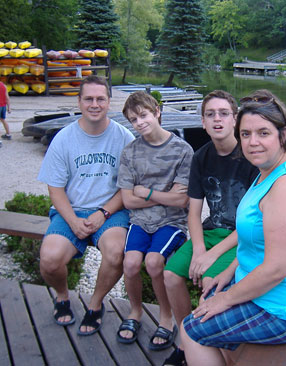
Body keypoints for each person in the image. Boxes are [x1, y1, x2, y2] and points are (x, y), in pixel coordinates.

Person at [179, 89, 286, 366]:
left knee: (191, 330)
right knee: (207, 298)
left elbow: (276, 269)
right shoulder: (267, 171)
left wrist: (226, 299)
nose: (253, 142)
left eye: (263, 133)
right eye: (246, 134)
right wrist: (229, 273)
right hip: (272, 288)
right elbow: (256, 241)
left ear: (283, 135)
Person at [162, 90, 259, 365]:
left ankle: (209, 345)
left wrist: (212, 255)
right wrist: (199, 250)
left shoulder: (250, 157)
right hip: (210, 232)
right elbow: (193, 211)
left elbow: (254, 223)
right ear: (202, 122)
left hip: (238, 237)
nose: (217, 120)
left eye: (224, 113)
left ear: (235, 120)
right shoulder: (201, 157)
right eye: (210, 114)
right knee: (170, 275)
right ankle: (185, 339)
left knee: (208, 283)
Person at [38, 75, 135, 336]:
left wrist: (103, 213)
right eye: (89, 98)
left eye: (100, 99)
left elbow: (128, 187)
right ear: (79, 101)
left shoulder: (123, 137)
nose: (95, 104)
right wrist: (72, 220)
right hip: (71, 209)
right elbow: (55, 187)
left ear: (108, 102)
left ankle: (95, 304)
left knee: (116, 252)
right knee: (49, 259)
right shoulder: (64, 138)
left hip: (111, 210)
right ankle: (61, 296)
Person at [116, 91, 194, 350]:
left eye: (143, 115)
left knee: (153, 261)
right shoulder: (130, 152)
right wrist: (164, 195)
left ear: (157, 111)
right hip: (140, 220)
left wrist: (147, 192)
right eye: (133, 120)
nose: (139, 123)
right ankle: (135, 312)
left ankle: (166, 317)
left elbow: (181, 201)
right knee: (129, 263)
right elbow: (128, 200)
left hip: (172, 223)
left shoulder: (182, 150)